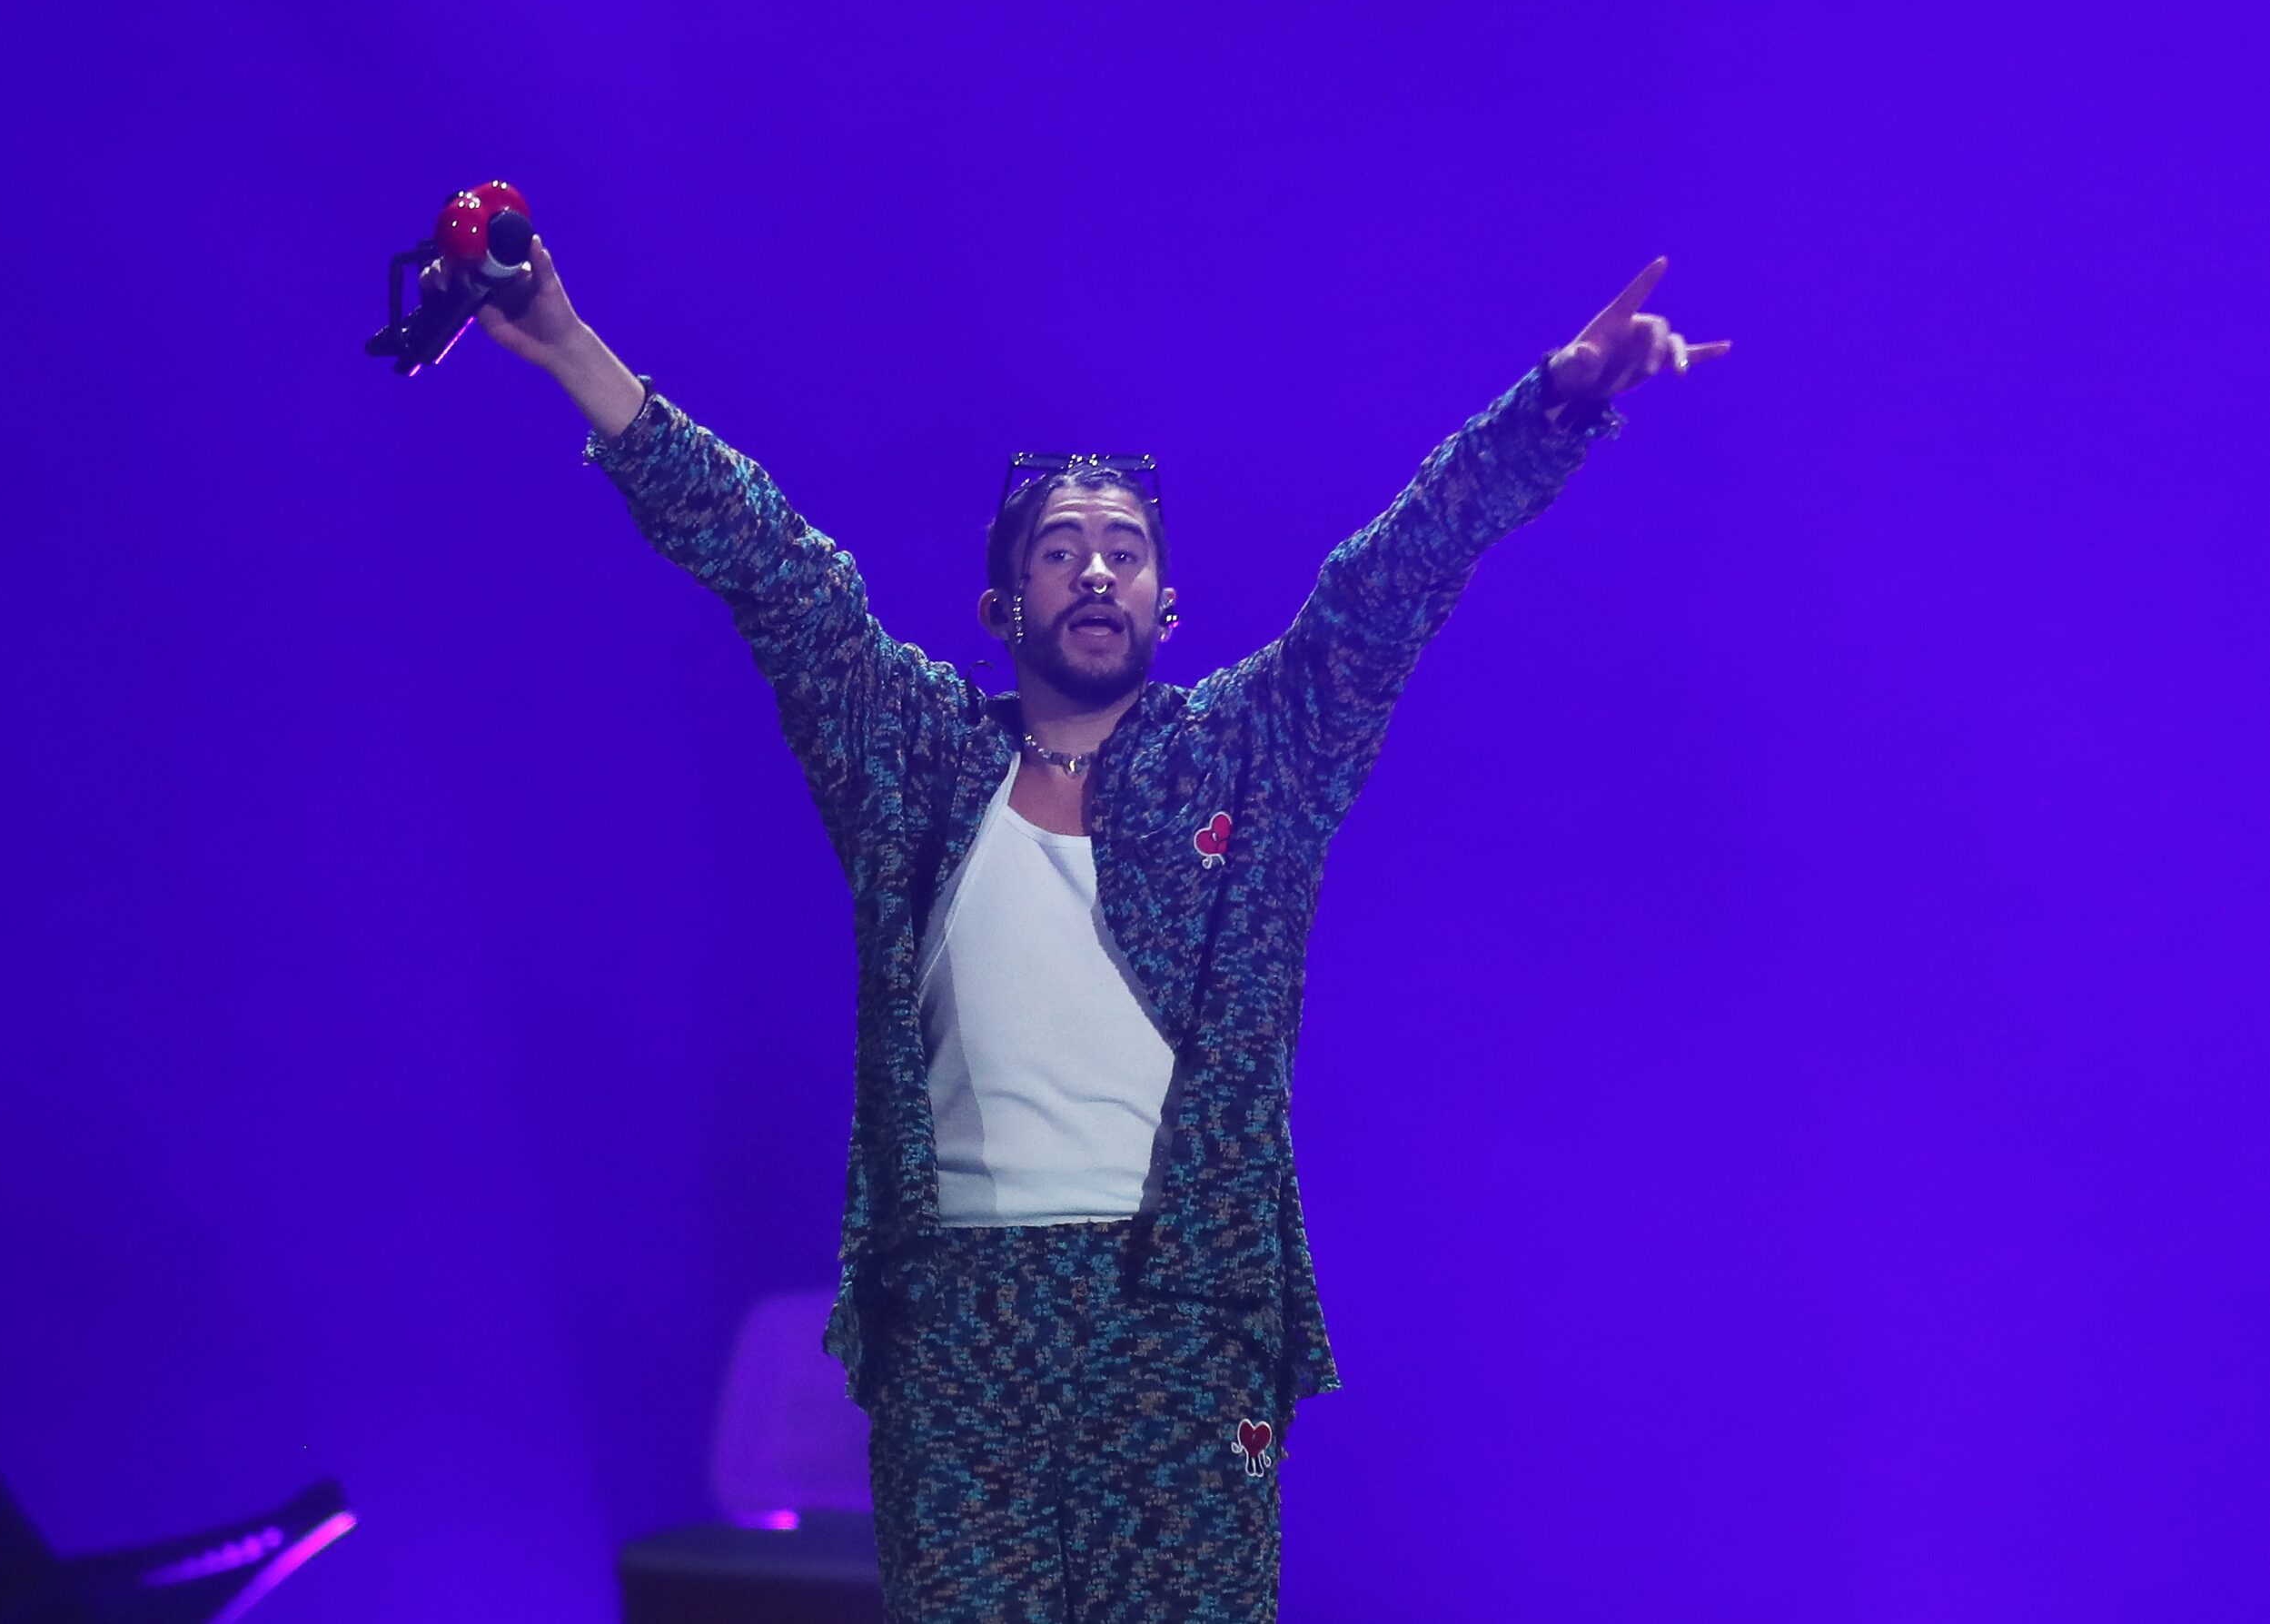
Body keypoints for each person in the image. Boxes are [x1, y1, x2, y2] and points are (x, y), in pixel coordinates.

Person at [429, 241, 1728, 1620]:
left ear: (1167, 604)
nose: (1095, 569)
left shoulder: (1251, 757)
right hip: (957, 1325)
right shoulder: (913, 755)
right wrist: (568, 344)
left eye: (1124, 549)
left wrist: (1552, 408)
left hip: (1184, 1317)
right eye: (1060, 550)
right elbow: (773, 566)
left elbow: (1382, 587)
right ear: (1003, 606)